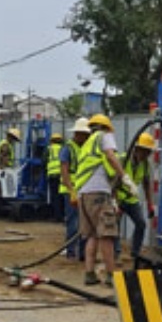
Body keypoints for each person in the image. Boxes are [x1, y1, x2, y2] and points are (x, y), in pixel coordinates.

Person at [73, 113, 137, 286]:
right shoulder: (104, 136)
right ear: (106, 127)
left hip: (84, 194)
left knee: (92, 235)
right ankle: (111, 275)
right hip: (98, 194)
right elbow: (110, 155)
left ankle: (89, 274)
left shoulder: (87, 144)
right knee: (106, 235)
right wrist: (124, 177)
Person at [115, 132, 156, 261]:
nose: (146, 155)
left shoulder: (145, 164)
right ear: (137, 149)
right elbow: (112, 182)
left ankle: (135, 253)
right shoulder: (122, 160)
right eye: (144, 151)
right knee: (115, 225)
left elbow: (146, 184)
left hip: (131, 199)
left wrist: (150, 204)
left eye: (148, 152)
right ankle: (115, 253)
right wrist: (115, 202)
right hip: (118, 197)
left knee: (141, 224)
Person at [59, 118, 92, 259]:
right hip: (70, 190)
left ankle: (82, 252)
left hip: (84, 189)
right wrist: (72, 191)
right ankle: (71, 250)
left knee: (84, 222)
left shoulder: (86, 148)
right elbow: (64, 172)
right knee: (73, 221)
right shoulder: (68, 148)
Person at [46, 132, 64, 223]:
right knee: (61, 196)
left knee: (54, 196)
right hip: (62, 174)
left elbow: (44, 160)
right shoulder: (63, 149)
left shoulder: (48, 149)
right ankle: (63, 215)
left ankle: (57, 216)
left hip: (52, 175)